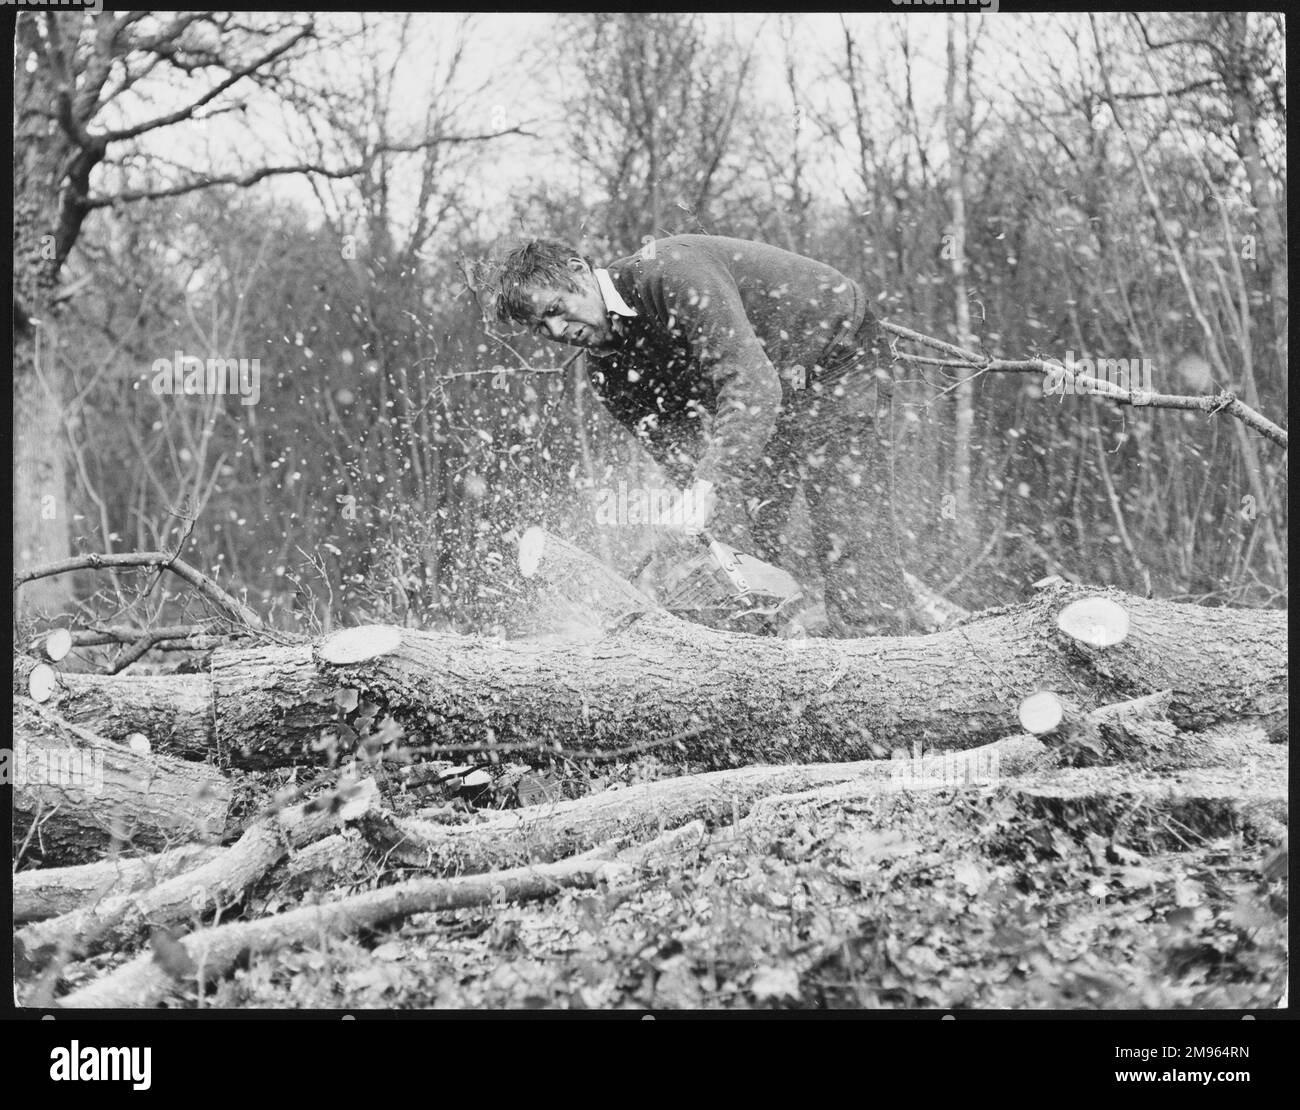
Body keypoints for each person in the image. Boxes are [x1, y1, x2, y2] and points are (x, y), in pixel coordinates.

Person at [495, 234, 918, 636]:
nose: (555, 331)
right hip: (769, 386)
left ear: (579, 270)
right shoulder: (609, 375)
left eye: (554, 308)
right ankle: (766, 651)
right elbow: (678, 452)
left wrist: (709, 484)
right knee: (749, 528)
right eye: (540, 328)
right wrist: (695, 512)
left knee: (846, 517)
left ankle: (878, 654)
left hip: (832, 353)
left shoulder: (669, 273)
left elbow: (751, 384)